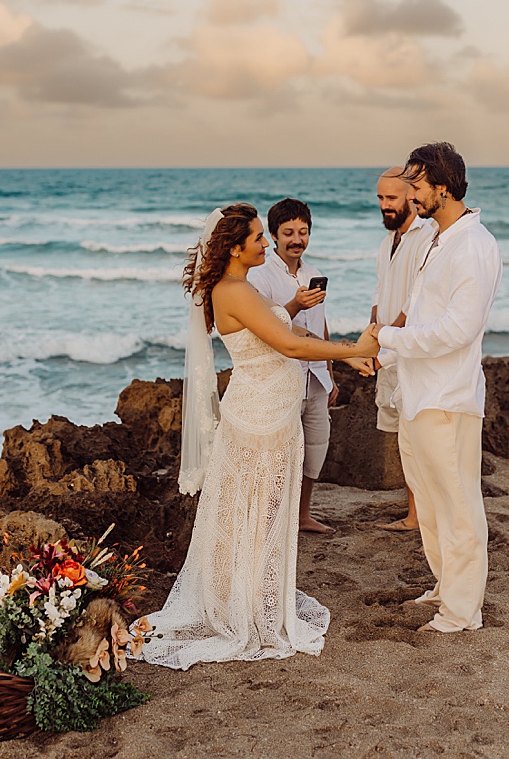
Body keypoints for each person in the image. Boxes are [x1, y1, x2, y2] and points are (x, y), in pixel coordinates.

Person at [137, 203, 378, 670]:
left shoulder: (238, 289)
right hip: (261, 416)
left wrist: (292, 309)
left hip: (267, 409)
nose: (266, 244)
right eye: (258, 239)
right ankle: (244, 609)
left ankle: (245, 596)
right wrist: (352, 351)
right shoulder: (235, 290)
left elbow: (273, 328)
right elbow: (288, 345)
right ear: (233, 247)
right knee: (257, 510)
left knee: (252, 511)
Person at [370, 143, 502, 633]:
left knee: (458, 503)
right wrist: (384, 352)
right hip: (415, 392)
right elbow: (420, 313)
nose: (410, 193)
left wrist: (388, 337)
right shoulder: (435, 239)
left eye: (418, 184)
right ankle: (446, 586)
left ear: (443, 187)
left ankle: (463, 611)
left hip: (448, 397)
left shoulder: (475, 245)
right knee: (427, 500)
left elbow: (457, 330)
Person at [247, 198, 337, 534]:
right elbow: (269, 325)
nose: (297, 239)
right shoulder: (260, 276)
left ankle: (302, 516)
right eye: (288, 233)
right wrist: (296, 304)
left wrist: (330, 370)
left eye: (303, 232)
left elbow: (321, 325)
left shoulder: (313, 274)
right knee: (280, 455)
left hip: (316, 377)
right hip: (282, 376)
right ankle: (273, 521)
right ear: (273, 235)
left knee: (316, 448)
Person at [369, 167, 434, 533]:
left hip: (408, 349)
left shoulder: (425, 238)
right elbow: (380, 293)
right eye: (380, 198)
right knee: (399, 434)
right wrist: (371, 337)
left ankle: (418, 515)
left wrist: (390, 338)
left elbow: (417, 300)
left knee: (416, 434)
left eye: (390, 197)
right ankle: (414, 513)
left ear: (411, 196)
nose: (384, 205)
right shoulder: (388, 241)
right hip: (387, 345)